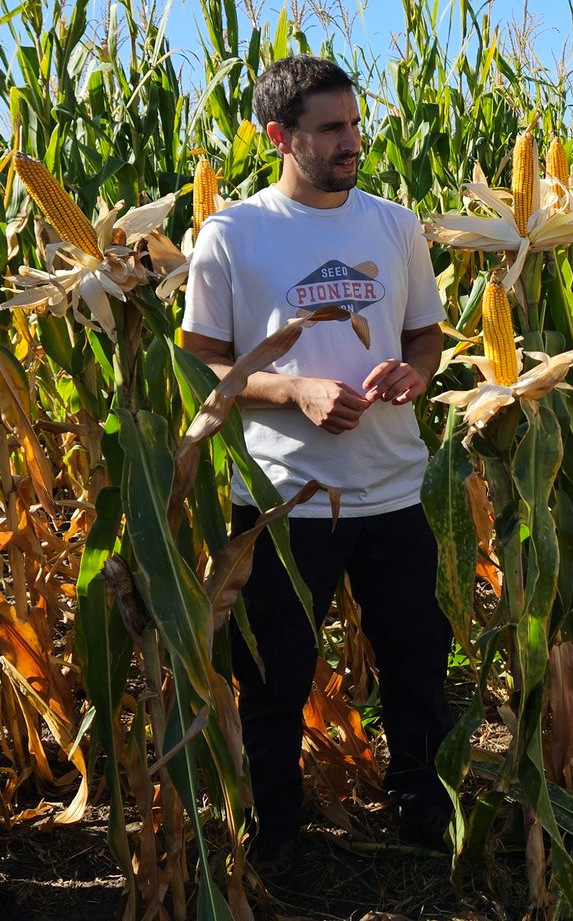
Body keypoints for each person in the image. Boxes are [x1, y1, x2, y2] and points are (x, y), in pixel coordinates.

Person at [181, 55, 452, 874]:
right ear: (279, 136)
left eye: (355, 123)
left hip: (395, 492)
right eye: (331, 128)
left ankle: (423, 813)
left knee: (418, 664)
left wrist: (418, 372)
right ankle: (278, 834)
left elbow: (424, 333)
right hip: (280, 502)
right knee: (274, 681)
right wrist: (292, 389)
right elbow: (200, 366)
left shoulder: (395, 225)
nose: (352, 141)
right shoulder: (231, 236)